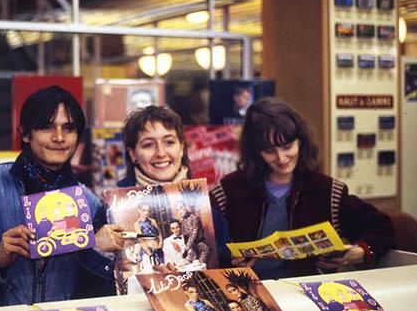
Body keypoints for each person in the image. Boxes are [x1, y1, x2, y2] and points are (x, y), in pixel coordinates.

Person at [0, 86, 125, 306]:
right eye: (47, 127)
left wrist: (95, 250)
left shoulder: (89, 202)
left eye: (69, 128)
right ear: (26, 133)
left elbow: (99, 291)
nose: (59, 137)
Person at [211, 97, 396, 279]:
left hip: (306, 293)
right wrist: (229, 259)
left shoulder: (328, 191)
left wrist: (360, 251)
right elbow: (203, 246)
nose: (281, 158)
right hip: (243, 291)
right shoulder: (228, 190)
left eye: (287, 146)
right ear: (256, 152)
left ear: (300, 141)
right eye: (269, 151)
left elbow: (383, 228)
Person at [119, 104, 232, 266]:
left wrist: (234, 259)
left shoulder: (208, 200)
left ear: (181, 148)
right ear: (133, 154)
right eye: (148, 145)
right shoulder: (115, 206)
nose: (161, 153)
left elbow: (223, 260)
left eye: (169, 142)